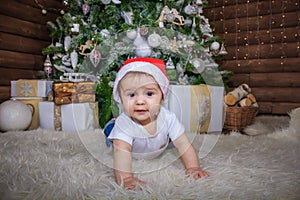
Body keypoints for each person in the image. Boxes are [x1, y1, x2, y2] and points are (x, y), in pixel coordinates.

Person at [104, 57, 209, 190]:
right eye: (131, 95)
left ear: (162, 97)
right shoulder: (124, 124)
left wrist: (193, 167)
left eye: (149, 93)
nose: (140, 101)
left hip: (157, 144)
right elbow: (121, 151)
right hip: (129, 145)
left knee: (172, 139)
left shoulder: (168, 118)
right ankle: (110, 126)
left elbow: (184, 144)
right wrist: (126, 178)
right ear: (121, 98)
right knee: (112, 136)